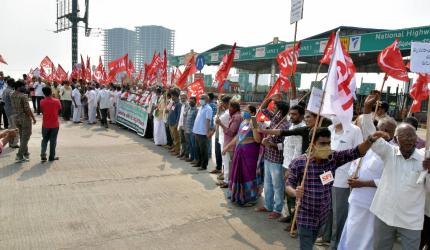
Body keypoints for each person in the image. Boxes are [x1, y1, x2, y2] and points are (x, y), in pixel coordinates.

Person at [287, 127, 382, 250]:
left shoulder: (332, 159)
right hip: (305, 216)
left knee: (310, 244)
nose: (326, 146)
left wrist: (369, 140)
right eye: (322, 143)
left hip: (322, 216)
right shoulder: (299, 163)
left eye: (328, 143)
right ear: (312, 144)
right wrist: (295, 192)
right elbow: (288, 185)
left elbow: (356, 152)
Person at [361, 93, 430, 250]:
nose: (408, 139)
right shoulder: (389, 152)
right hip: (384, 215)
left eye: (411, 136)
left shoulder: (424, 159)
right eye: (403, 136)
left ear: (416, 139)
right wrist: (366, 110)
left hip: (410, 221)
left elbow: (428, 190)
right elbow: (370, 137)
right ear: (396, 139)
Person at [338, 117, 396, 250]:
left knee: (366, 238)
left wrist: (363, 183)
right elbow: (355, 163)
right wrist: (352, 175)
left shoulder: (393, 151)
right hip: (356, 198)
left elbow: (390, 181)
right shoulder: (367, 145)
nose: (386, 132)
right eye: (383, 129)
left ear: (393, 133)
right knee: (351, 231)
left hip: (373, 203)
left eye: (390, 130)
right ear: (378, 129)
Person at [323, 117, 363, 249]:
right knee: (327, 208)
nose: (334, 116)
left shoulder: (355, 130)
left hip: (342, 178)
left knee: (339, 213)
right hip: (326, 176)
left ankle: (335, 243)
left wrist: (355, 173)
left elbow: (359, 154)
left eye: (337, 113)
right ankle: (325, 237)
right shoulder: (329, 129)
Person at [255, 96, 290, 220]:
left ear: (281, 111)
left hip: (277, 159)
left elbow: (284, 146)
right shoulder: (275, 118)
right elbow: (263, 108)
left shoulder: (286, 125)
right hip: (268, 157)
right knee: (268, 183)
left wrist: (271, 144)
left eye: (275, 108)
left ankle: (277, 209)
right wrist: (270, 98)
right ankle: (268, 205)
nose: (273, 109)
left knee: (277, 185)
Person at [222, 105, 261, 206]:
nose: (244, 112)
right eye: (244, 111)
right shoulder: (243, 122)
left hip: (250, 152)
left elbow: (258, 140)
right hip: (240, 151)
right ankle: (238, 195)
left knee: (248, 174)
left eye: (247, 111)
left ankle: (249, 198)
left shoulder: (255, 122)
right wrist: (227, 147)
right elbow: (238, 137)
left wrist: (254, 128)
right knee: (238, 173)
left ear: (252, 113)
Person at [280, 105, 306, 223]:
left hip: (294, 167)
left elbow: (298, 151)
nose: (291, 116)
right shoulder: (292, 125)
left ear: (301, 115)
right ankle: (290, 216)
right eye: (290, 114)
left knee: (294, 193)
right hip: (286, 163)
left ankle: (295, 222)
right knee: (287, 192)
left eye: (294, 114)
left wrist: (290, 169)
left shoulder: (302, 128)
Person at [216, 100, 242, 188]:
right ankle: (226, 180)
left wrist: (221, 124)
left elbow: (231, 132)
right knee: (227, 164)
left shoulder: (237, 117)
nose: (229, 109)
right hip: (228, 143)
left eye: (230, 107)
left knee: (229, 165)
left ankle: (228, 182)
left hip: (231, 145)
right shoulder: (233, 115)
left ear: (234, 108)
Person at [10, 80, 36, 162]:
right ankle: (19, 155)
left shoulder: (12, 95)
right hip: (24, 118)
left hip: (16, 118)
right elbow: (27, 109)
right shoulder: (23, 96)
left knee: (22, 136)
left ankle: (26, 153)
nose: (25, 87)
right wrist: (33, 118)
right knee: (26, 136)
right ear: (19, 87)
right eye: (23, 86)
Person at [191, 94, 213, 171]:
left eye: (202, 98)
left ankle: (204, 165)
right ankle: (199, 162)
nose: (200, 99)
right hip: (197, 131)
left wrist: (207, 132)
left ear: (207, 99)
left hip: (203, 132)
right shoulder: (200, 108)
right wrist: (194, 130)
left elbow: (208, 121)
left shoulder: (208, 108)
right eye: (200, 98)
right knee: (198, 149)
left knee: (203, 150)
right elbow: (198, 119)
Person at [40, 86, 61, 162]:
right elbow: (59, 111)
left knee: (44, 140)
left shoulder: (42, 101)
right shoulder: (57, 101)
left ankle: (43, 155)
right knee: (53, 141)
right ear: (51, 91)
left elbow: (42, 111)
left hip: (45, 124)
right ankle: (51, 156)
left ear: (43, 93)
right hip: (54, 124)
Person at [211, 95, 231, 175]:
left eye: (221, 101)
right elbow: (215, 122)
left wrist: (218, 111)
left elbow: (216, 120)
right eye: (219, 101)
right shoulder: (223, 111)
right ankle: (219, 168)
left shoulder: (228, 112)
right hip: (218, 134)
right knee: (218, 152)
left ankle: (224, 173)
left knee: (225, 156)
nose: (220, 103)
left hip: (225, 136)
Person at [2, 78, 19, 148]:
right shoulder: (11, 91)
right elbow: (14, 102)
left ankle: (10, 142)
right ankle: (14, 143)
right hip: (13, 112)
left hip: (7, 111)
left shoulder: (5, 90)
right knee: (15, 128)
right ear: (12, 83)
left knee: (10, 127)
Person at [184, 96, 198, 162]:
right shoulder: (189, 109)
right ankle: (191, 157)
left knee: (194, 145)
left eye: (192, 101)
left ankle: (195, 158)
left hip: (193, 131)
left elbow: (196, 121)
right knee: (189, 145)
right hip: (187, 130)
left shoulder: (196, 110)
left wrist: (195, 131)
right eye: (190, 101)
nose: (190, 102)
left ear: (195, 101)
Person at [167, 89, 181, 155]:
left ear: (177, 96)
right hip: (170, 122)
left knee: (176, 138)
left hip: (174, 124)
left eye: (173, 96)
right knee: (173, 137)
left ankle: (177, 150)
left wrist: (177, 124)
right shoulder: (173, 103)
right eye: (172, 95)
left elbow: (179, 115)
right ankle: (175, 148)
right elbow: (170, 111)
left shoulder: (179, 104)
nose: (172, 97)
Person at [177, 92, 189, 159]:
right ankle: (182, 153)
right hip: (181, 125)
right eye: (181, 98)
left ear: (186, 98)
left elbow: (186, 116)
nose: (182, 99)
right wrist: (179, 125)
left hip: (186, 127)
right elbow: (181, 116)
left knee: (186, 141)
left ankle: (186, 155)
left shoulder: (188, 105)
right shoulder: (182, 105)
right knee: (182, 141)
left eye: (184, 98)